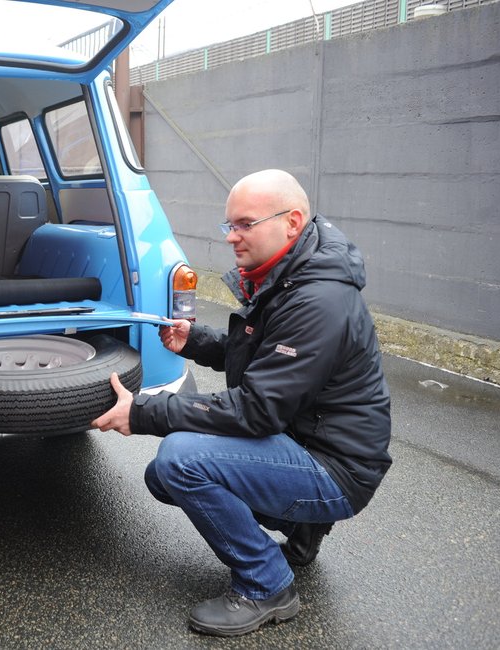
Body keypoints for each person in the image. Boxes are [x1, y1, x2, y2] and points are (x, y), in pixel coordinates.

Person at [92, 169, 391, 637]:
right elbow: (264, 356)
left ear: (291, 222)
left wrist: (145, 412)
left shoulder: (319, 300)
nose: (231, 236)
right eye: (229, 225)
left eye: (244, 224)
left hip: (337, 469)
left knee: (181, 462)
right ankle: (302, 528)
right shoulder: (289, 275)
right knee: (161, 477)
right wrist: (197, 342)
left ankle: (266, 584)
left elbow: (256, 409)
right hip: (305, 440)